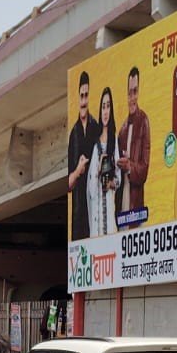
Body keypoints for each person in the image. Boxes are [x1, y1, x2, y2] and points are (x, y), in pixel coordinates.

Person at [66, 71, 100, 240]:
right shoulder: (73, 134)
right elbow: (68, 184)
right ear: (78, 97)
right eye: (82, 96)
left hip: (94, 213)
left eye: (86, 95)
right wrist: (78, 170)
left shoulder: (96, 128)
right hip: (78, 215)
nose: (84, 100)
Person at [116, 66, 150, 227]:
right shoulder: (122, 130)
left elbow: (145, 167)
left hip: (136, 206)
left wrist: (130, 167)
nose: (132, 98)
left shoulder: (143, 121)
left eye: (135, 92)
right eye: (129, 93)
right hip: (121, 205)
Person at [86, 86, 122, 237]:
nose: (105, 111)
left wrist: (111, 184)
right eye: (103, 107)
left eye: (108, 106)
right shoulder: (96, 146)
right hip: (97, 219)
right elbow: (91, 190)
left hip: (110, 211)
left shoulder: (114, 142)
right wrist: (99, 169)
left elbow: (119, 179)